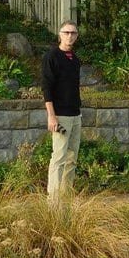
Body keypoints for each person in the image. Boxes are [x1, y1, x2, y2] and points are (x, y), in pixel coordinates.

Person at [42, 20, 82, 200]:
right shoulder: (52, 57)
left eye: (73, 33)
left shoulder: (75, 60)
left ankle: (66, 197)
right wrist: (51, 116)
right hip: (60, 116)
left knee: (72, 159)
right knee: (58, 158)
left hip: (75, 115)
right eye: (66, 32)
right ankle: (54, 200)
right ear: (60, 34)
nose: (70, 36)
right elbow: (46, 87)